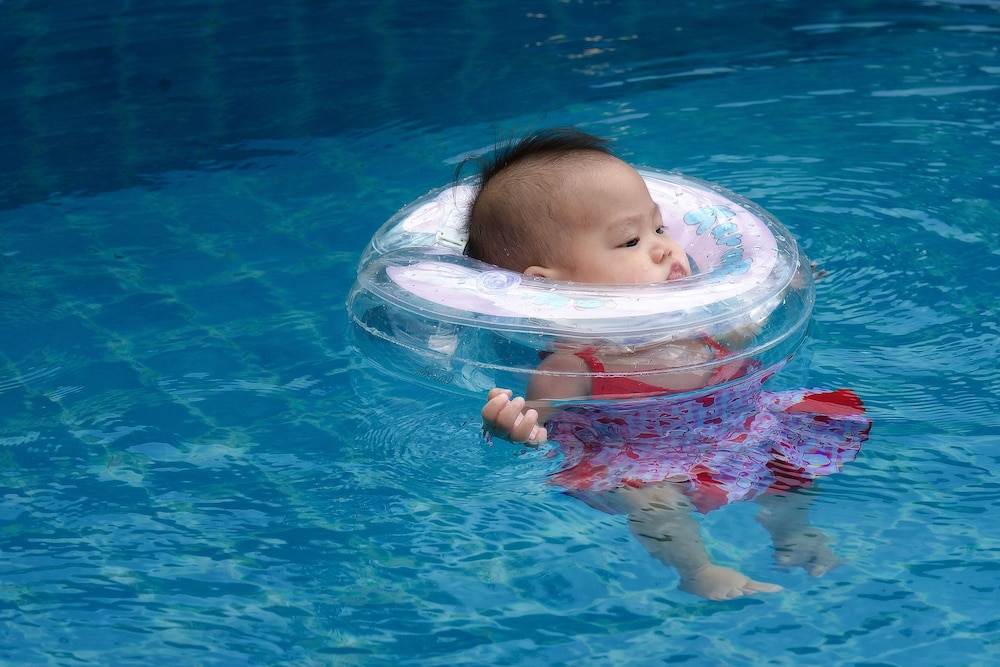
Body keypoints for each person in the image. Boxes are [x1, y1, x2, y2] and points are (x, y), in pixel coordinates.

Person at [460, 128, 871, 601]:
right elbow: (538, 428)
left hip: (737, 431)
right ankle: (699, 571)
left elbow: (750, 326)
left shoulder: (702, 325)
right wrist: (511, 427)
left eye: (659, 228)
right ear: (550, 285)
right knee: (651, 501)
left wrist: (786, 283)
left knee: (788, 464)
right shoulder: (572, 368)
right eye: (630, 241)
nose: (663, 248)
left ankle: (794, 534)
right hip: (644, 459)